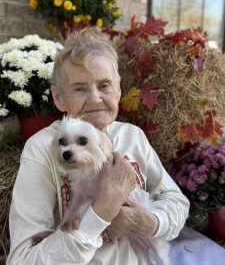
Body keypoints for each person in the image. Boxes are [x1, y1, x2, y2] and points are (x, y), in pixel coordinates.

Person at [7, 28, 190, 264]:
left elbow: (175, 200)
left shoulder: (132, 136)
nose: (95, 99)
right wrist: (100, 213)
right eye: (80, 88)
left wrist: (151, 223)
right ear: (59, 98)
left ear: (118, 89)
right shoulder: (42, 149)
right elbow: (22, 259)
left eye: (104, 85)